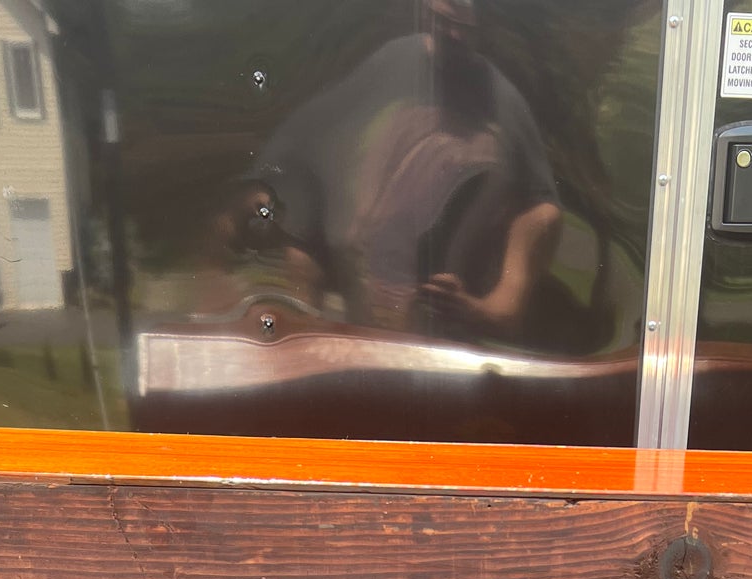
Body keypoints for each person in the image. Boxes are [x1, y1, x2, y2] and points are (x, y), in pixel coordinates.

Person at [238, 0, 562, 340]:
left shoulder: (500, 100)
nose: (452, 34)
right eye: (443, 21)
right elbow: (309, 132)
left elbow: (541, 210)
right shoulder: (395, 61)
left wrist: (494, 303)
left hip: (433, 308)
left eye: (464, 28)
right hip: (362, 278)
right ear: (426, 10)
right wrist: (289, 216)